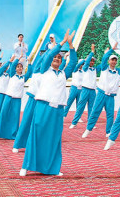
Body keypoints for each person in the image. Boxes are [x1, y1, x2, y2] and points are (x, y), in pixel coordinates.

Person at [20, 30, 77, 176]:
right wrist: (62, 43)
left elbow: (73, 63)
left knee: (53, 138)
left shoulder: (63, 73)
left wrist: (71, 45)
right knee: (36, 135)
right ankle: (27, 165)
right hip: (43, 106)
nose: (57, 59)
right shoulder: (45, 69)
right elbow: (48, 55)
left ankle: (52, 168)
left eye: (59, 58)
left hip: (58, 110)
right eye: (55, 57)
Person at [82, 44, 120, 138]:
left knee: (110, 115)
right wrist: (111, 50)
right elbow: (104, 59)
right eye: (112, 60)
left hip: (110, 96)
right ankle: (88, 129)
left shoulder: (118, 71)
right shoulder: (104, 68)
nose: (113, 61)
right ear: (109, 61)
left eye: (115, 60)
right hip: (101, 94)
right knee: (95, 112)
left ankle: (108, 131)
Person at [0, 55, 33, 140]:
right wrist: (17, 59)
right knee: (4, 114)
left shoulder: (23, 78)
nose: (19, 68)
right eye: (18, 67)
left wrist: (29, 62)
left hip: (17, 100)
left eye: (21, 67)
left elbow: (29, 72)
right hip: (8, 98)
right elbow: (12, 66)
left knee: (15, 118)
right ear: (15, 68)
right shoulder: (12, 75)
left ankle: (13, 134)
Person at [12, 52, 44, 152]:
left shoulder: (50, 74)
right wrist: (29, 62)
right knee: (26, 121)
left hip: (43, 101)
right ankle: (17, 145)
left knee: (39, 123)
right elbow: (36, 65)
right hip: (33, 99)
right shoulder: (37, 71)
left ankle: (36, 145)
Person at [63, 57, 85, 124]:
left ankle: (78, 117)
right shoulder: (75, 69)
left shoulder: (84, 71)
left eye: (83, 64)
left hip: (80, 89)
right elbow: (78, 65)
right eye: (81, 64)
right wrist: (85, 60)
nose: (82, 65)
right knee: (69, 103)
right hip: (74, 88)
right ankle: (63, 116)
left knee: (79, 104)